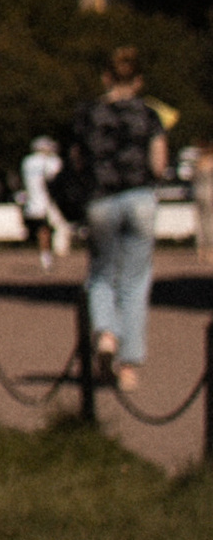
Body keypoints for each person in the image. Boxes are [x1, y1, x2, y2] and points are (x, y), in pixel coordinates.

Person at [73, 49, 165, 397]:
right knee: (135, 283)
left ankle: (107, 334)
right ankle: (128, 367)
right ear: (139, 81)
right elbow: (158, 164)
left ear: (105, 78)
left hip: (101, 199)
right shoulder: (150, 115)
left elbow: (78, 161)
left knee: (100, 276)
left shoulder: (87, 114)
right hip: (140, 198)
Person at [18, 135, 65, 264]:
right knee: (54, 227)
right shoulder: (52, 161)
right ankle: (55, 252)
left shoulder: (27, 162)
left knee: (42, 229)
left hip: (34, 201)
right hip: (51, 201)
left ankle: (45, 256)